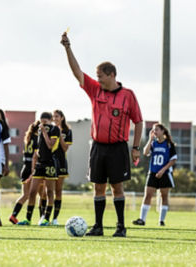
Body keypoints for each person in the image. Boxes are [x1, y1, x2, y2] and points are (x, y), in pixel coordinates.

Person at [61, 32, 143, 237]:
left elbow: (139, 121)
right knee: (98, 188)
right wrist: (67, 47)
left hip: (118, 148)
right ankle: (98, 227)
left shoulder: (128, 95)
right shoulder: (95, 90)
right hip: (98, 146)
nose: (97, 79)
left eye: (100, 76)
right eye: (96, 76)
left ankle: (120, 227)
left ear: (111, 75)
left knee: (117, 188)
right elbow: (77, 72)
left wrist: (135, 148)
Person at [18, 112, 60, 226]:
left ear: (50, 120)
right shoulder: (39, 131)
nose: (43, 123)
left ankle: (46, 218)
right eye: (42, 121)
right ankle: (28, 219)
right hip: (40, 164)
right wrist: (33, 166)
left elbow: (50, 145)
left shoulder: (55, 129)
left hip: (50, 163)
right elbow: (37, 150)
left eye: (46, 121)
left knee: (49, 192)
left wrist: (45, 131)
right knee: (32, 192)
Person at [133, 123, 177, 226]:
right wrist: (150, 140)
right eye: (153, 130)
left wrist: (162, 170)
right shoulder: (153, 143)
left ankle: (161, 221)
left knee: (164, 196)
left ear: (162, 131)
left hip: (165, 173)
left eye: (156, 130)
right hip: (152, 172)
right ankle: (142, 220)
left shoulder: (169, 144)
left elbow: (173, 159)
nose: (154, 132)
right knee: (147, 195)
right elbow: (145, 152)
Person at [9, 121, 39, 224]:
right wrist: (33, 170)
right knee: (37, 194)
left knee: (25, 195)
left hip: (24, 168)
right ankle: (41, 217)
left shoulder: (28, 139)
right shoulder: (37, 139)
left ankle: (13, 215)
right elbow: (35, 156)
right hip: (32, 168)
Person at [51, 110, 73, 225]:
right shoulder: (49, 129)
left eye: (57, 116)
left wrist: (59, 134)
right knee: (47, 191)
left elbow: (65, 148)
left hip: (61, 163)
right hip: (49, 162)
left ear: (62, 118)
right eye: (53, 116)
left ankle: (55, 218)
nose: (55, 118)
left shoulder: (67, 131)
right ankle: (44, 217)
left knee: (58, 191)